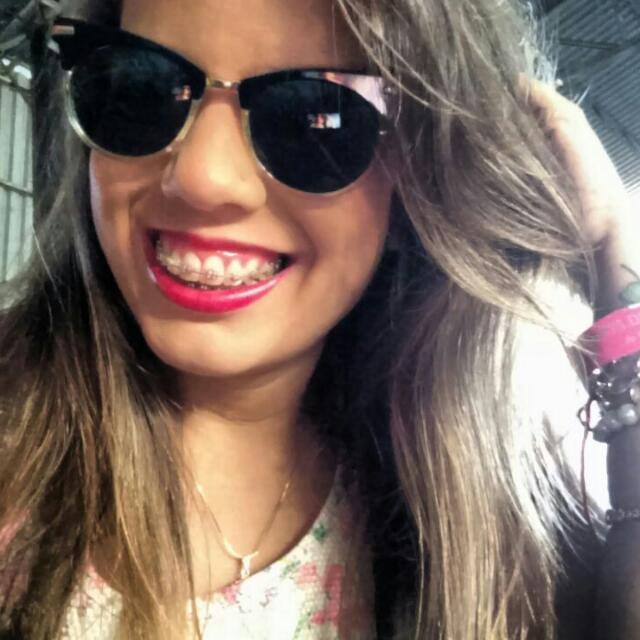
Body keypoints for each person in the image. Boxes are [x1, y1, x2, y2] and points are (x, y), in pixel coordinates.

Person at [1, 0, 639, 638]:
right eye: (139, 87)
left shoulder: (493, 539)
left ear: (423, 181)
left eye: (316, 117)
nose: (202, 177)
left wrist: (617, 261)